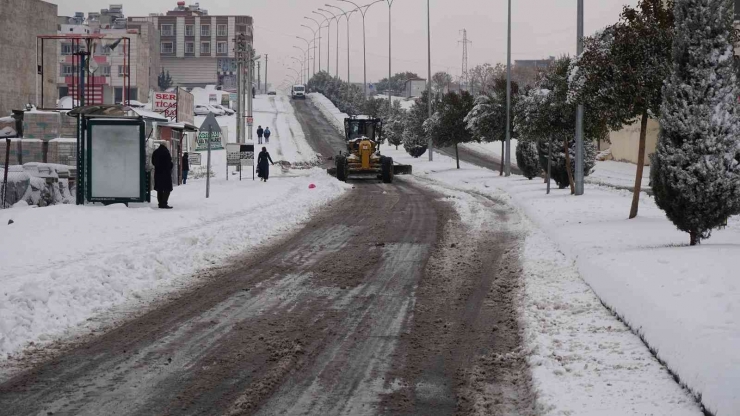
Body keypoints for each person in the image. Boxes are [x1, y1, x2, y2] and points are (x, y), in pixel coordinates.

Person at [152, 144, 174, 209]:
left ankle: (160, 203)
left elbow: (153, 162)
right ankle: (164, 203)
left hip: (158, 173)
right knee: (167, 189)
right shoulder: (166, 152)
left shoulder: (155, 152)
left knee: (160, 189)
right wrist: (171, 165)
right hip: (166, 174)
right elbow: (169, 164)